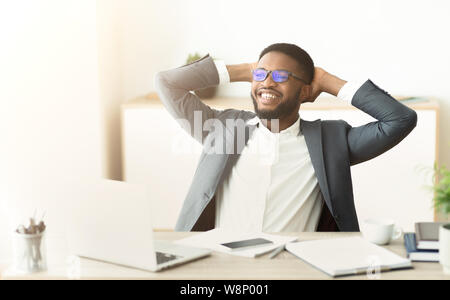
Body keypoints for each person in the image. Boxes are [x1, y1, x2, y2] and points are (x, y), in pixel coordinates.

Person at [155, 43, 417, 232]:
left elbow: (400, 119)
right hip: (223, 265)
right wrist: (246, 70)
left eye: (281, 76)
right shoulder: (222, 128)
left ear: (304, 91)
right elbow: (166, 82)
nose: (267, 83)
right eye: (261, 75)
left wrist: (326, 80)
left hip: (294, 268)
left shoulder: (333, 141)